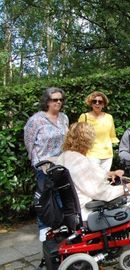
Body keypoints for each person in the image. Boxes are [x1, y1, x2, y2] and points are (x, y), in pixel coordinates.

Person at [55, 122, 130, 254]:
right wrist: (128, 187)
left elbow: (86, 176)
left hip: (74, 210)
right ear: (87, 139)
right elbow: (101, 192)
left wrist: (109, 174)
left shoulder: (65, 157)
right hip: (89, 211)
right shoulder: (80, 161)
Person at [24, 87, 69, 242]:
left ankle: (59, 225)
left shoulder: (64, 118)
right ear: (47, 101)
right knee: (45, 197)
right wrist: (36, 163)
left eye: (60, 99)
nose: (58, 102)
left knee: (61, 194)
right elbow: (29, 143)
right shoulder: (36, 120)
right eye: (54, 99)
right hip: (43, 164)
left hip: (61, 163)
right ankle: (44, 226)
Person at [78, 91, 119, 172]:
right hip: (91, 154)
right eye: (94, 101)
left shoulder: (109, 117)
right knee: (94, 179)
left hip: (107, 155)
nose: (97, 103)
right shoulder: (84, 117)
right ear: (91, 103)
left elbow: (112, 135)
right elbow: (79, 136)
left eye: (100, 102)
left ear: (103, 104)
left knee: (104, 179)